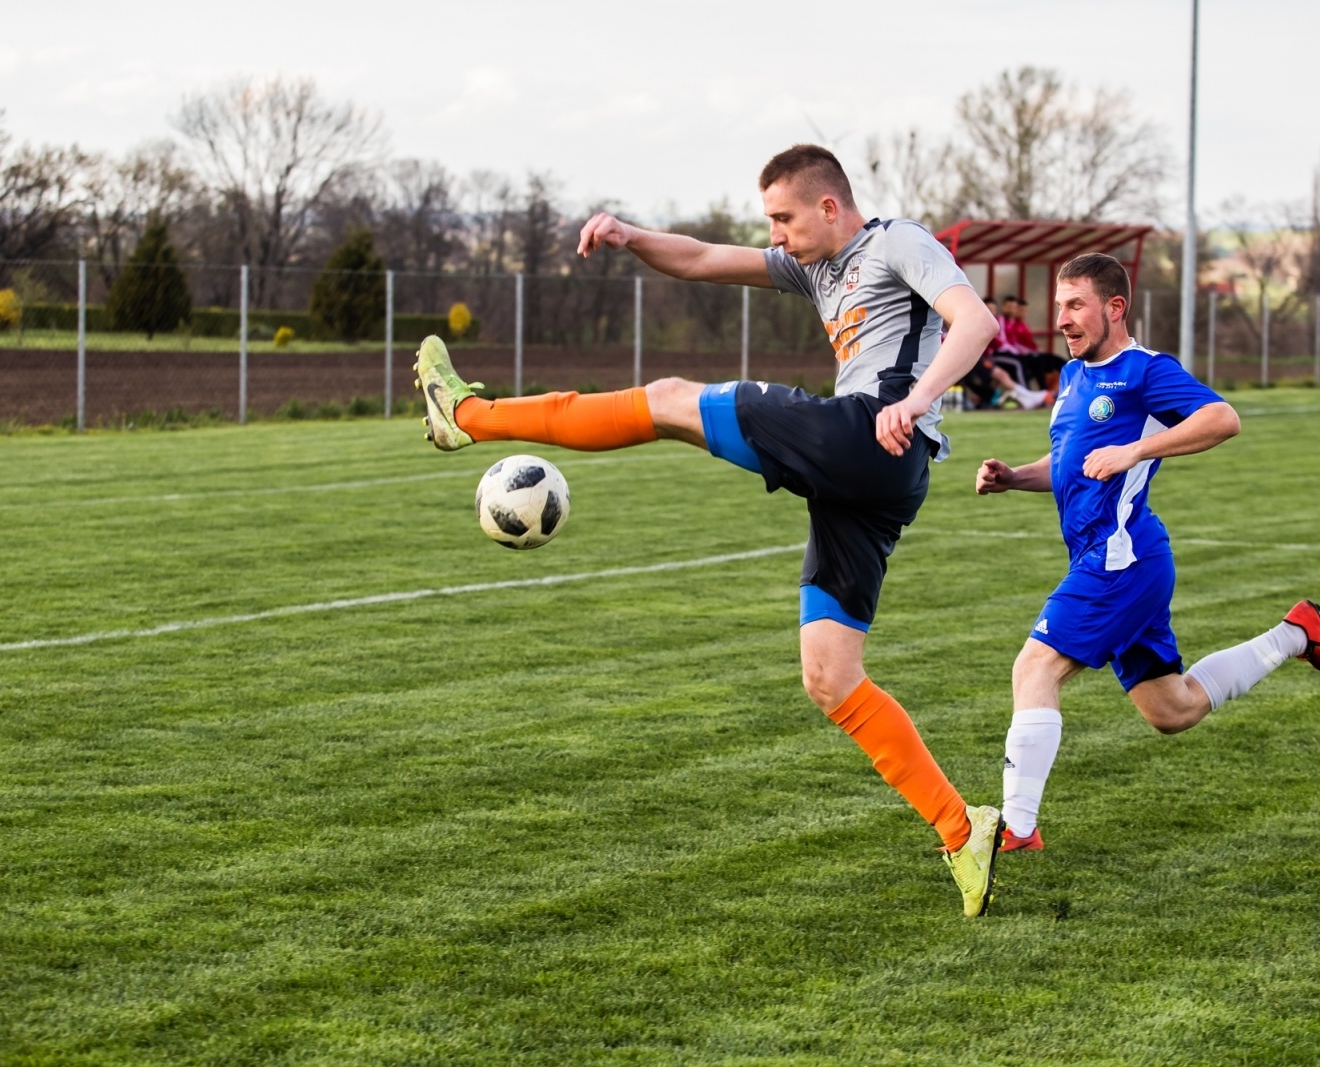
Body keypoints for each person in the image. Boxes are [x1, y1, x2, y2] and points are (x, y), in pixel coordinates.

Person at [413, 144, 1008, 917]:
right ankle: (962, 829)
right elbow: (699, 258)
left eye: (784, 217)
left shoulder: (897, 241)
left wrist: (916, 398)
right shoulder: (813, 267)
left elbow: (976, 320)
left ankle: (469, 415)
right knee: (829, 675)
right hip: (870, 476)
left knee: (667, 398)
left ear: (829, 206)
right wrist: (631, 235)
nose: (776, 234)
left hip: (871, 433)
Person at [974, 253, 1320, 856]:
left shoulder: (1145, 371)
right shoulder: (1073, 376)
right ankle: (1295, 635)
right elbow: (1074, 461)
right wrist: (1016, 477)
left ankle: (1017, 827)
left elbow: (1223, 418)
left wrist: (1136, 450)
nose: (1063, 319)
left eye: (1076, 306)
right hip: (1119, 557)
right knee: (1172, 709)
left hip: (1119, 557)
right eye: (1060, 307)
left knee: (1034, 668)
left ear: (1115, 307)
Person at [961, 297, 1051, 410]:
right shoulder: (979, 324)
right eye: (988, 309)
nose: (990, 312)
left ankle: (1026, 397)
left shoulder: (996, 323)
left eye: (993, 309)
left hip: (985, 358)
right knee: (1005, 371)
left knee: (1003, 374)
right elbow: (998, 343)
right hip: (976, 359)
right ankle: (1027, 396)